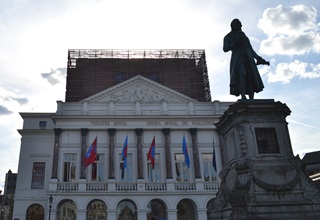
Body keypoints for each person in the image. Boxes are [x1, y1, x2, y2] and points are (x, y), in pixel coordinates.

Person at [223, 18, 269, 99]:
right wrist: (235, 43)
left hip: (248, 57)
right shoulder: (228, 36)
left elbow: (250, 49)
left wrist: (259, 58)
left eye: (239, 24)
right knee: (242, 74)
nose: (239, 26)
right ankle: (243, 96)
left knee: (250, 76)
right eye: (236, 24)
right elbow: (225, 48)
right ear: (232, 26)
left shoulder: (244, 36)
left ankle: (251, 98)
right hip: (237, 58)